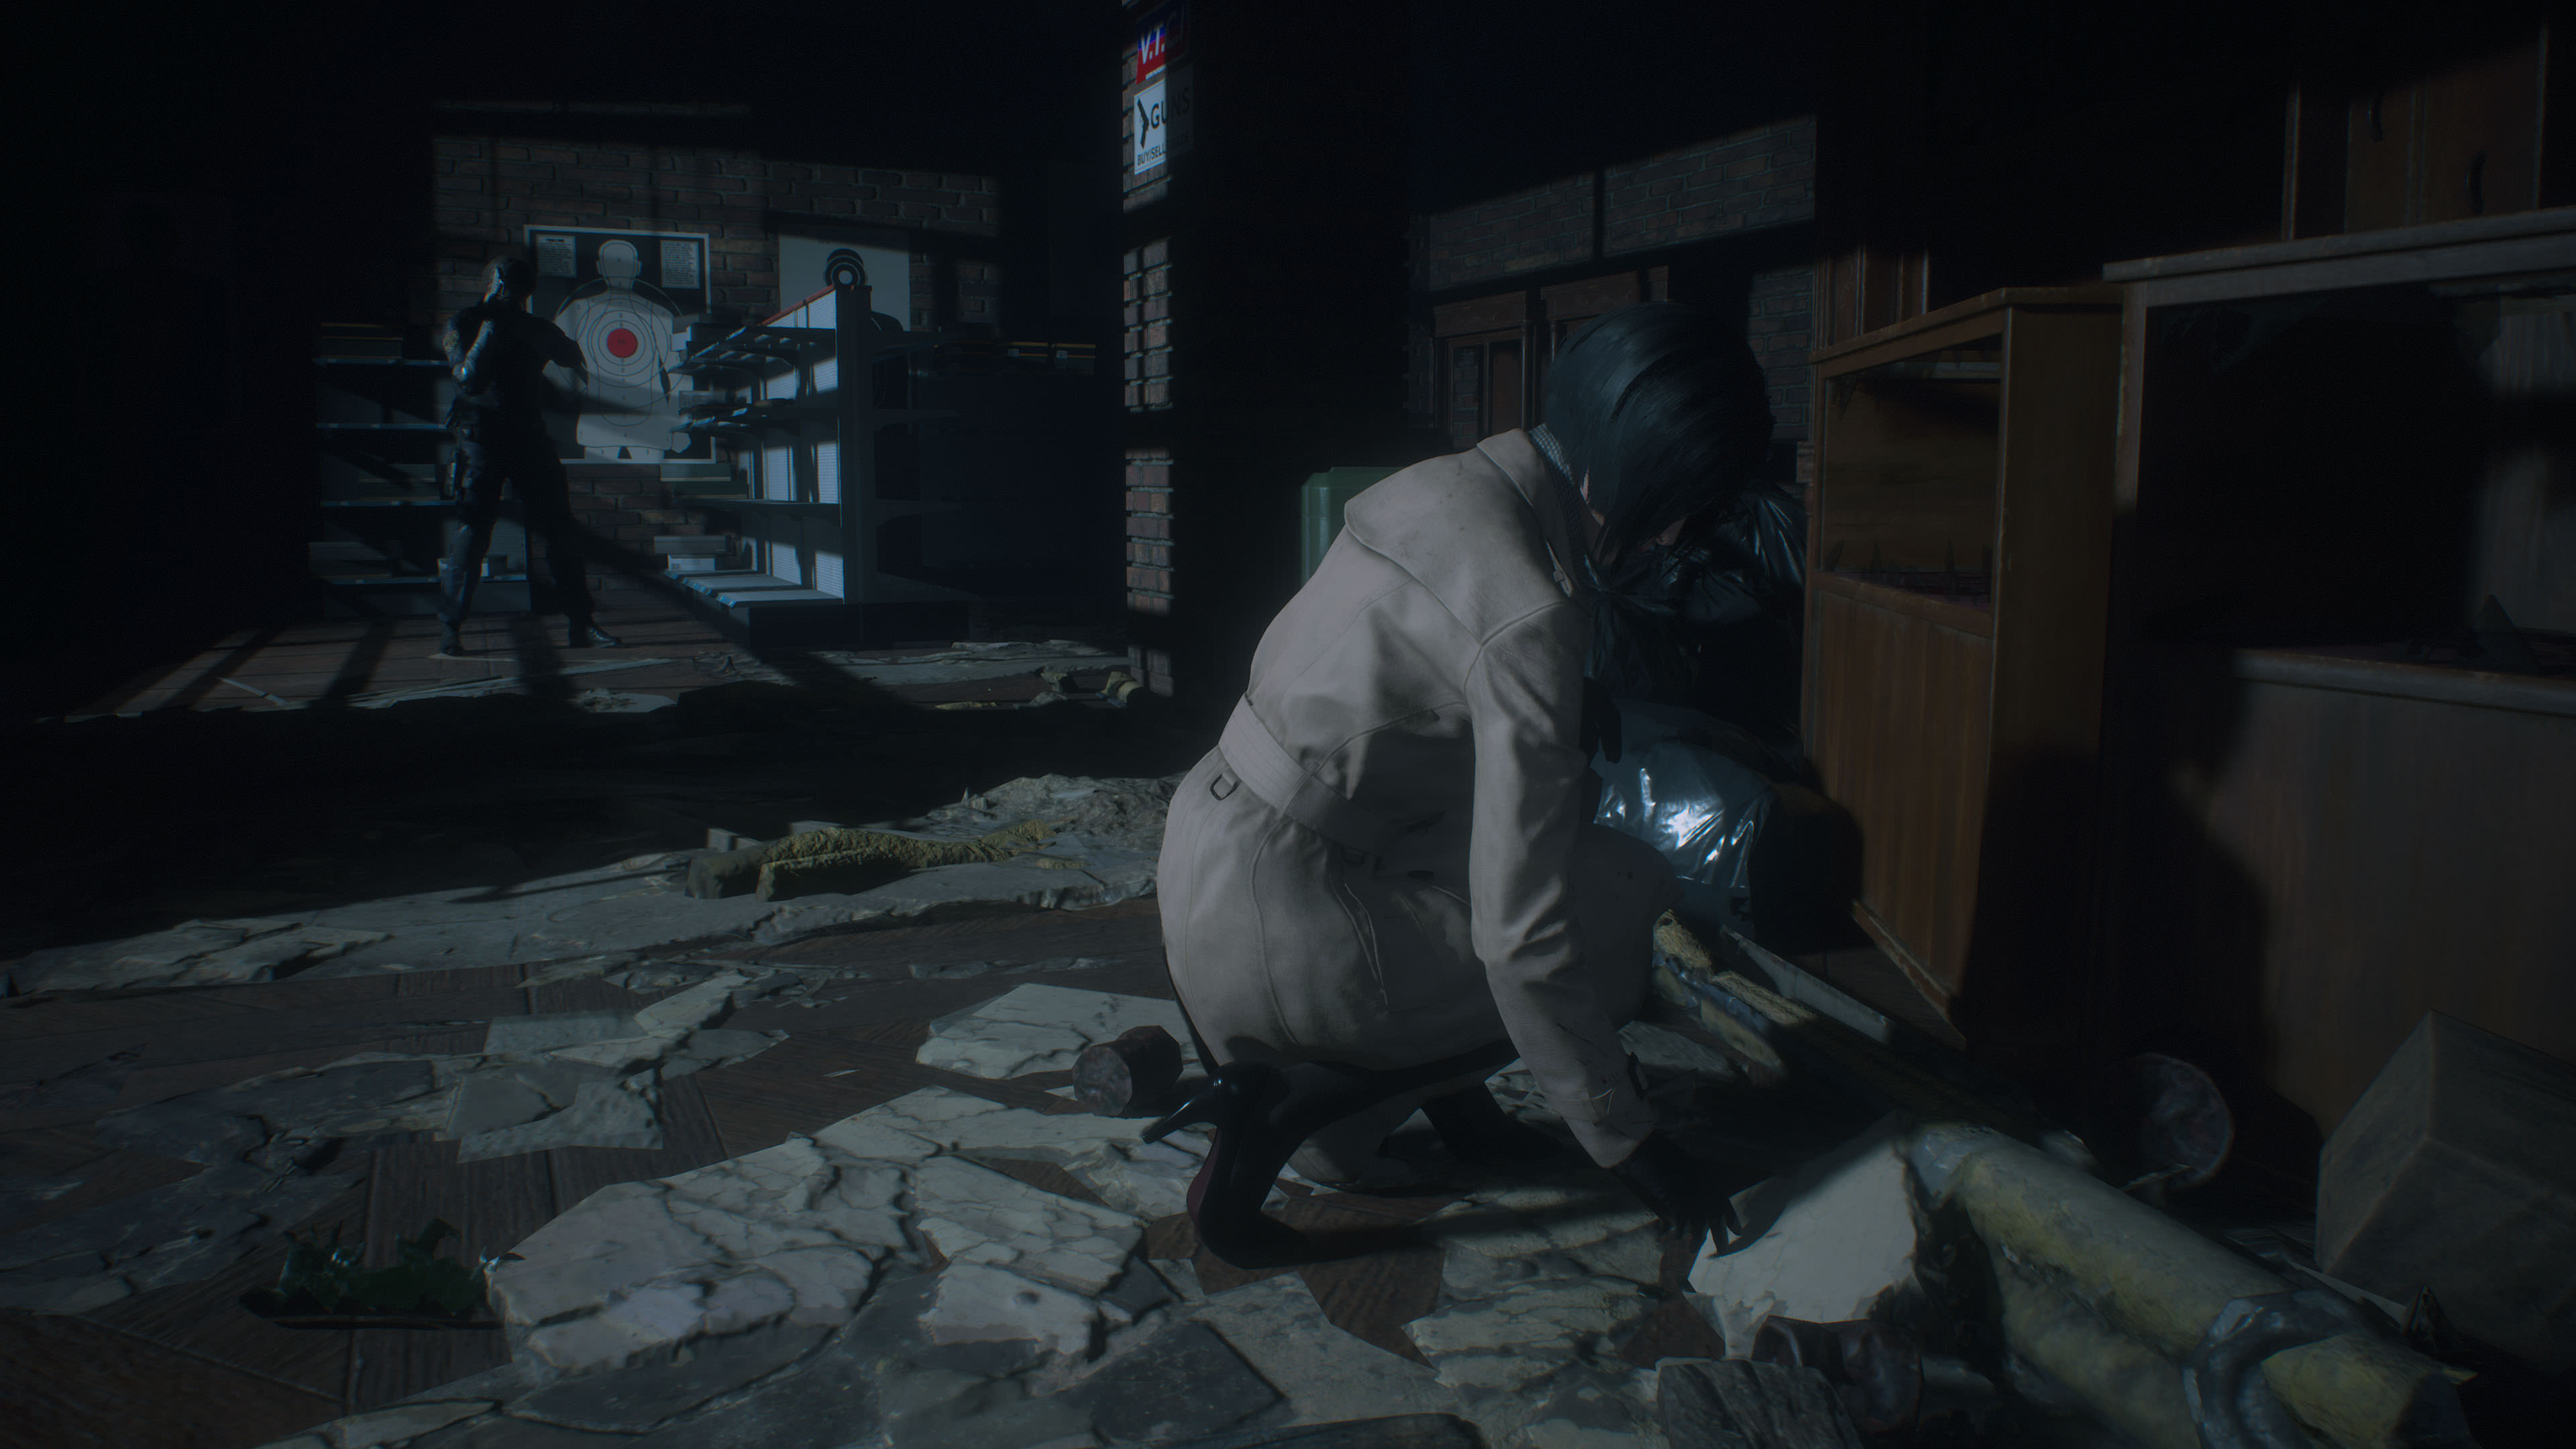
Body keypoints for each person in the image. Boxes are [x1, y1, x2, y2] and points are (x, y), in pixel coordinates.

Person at [1152, 303, 1774, 1268]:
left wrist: (1566, 704)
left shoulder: (1437, 486)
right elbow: (1524, 941)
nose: (1674, 537)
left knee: (1516, 870)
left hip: (1205, 865)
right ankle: (1283, 1108)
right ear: (1642, 476)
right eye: (1681, 505)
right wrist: (1631, 1143)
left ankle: (1440, 1110)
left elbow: (1406, 670)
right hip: (1292, 928)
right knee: (1622, 898)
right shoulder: (1532, 614)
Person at [434, 256, 623, 658]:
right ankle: (450, 628)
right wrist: (491, 332)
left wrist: (556, 346)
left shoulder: (531, 326)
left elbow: (574, 359)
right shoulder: (464, 323)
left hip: (528, 436)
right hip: (481, 438)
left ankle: (581, 623)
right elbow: (468, 380)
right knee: (472, 533)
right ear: (500, 283)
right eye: (515, 287)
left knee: (560, 531)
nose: (519, 296)